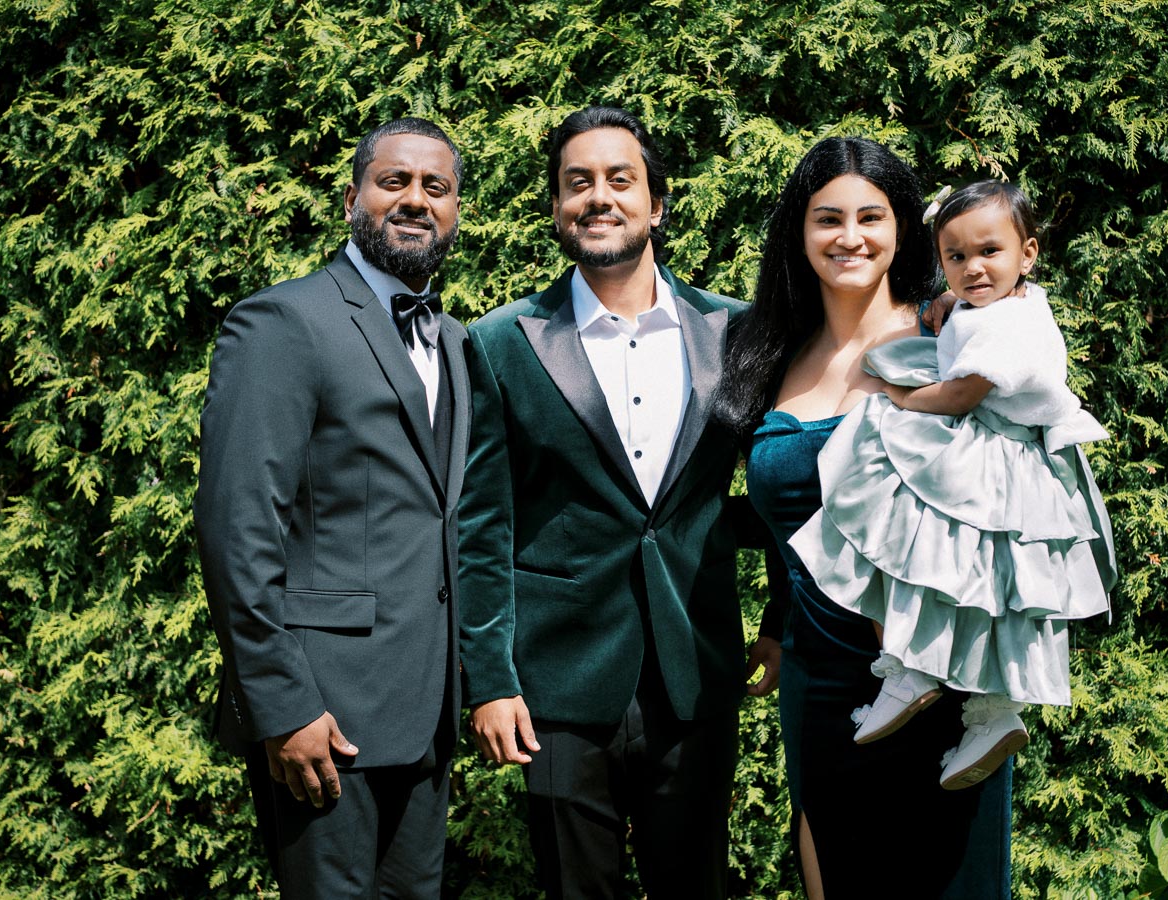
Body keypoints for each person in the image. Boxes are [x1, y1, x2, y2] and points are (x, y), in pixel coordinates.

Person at [458, 105, 782, 900]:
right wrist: (489, 679)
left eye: (619, 179)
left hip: (695, 669)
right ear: (556, 208)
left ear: (656, 203)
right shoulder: (500, 341)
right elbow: (483, 524)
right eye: (578, 183)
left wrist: (779, 620)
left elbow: (782, 483)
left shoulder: (737, 333)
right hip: (559, 684)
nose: (598, 196)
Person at [716, 137, 1013, 898]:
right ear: (799, 231)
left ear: (903, 228)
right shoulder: (765, 353)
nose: (850, 237)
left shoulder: (952, 336)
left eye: (870, 217)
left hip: (939, 681)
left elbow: (1014, 492)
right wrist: (776, 623)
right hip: (817, 684)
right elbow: (791, 521)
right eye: (828, 218)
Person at [195, 117, 469, 899]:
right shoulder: (284, 322)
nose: (415, 200)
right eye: (394, 181)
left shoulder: (454, 342)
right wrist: (282, 705)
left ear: (455, 211)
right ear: (352, 199)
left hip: (426, 715)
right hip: (324, 718)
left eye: (436, 187)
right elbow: (237, 527)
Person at [789, 179, 1117, 790]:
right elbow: (972, 311)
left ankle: (913, 667)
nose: (972, 269)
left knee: (914, 526)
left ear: (1029, 253)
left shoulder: (1011, 326)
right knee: (990, 589)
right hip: (1012, 458)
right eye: (956, 257)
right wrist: (951, 299)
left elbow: (962, 394)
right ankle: (991, 712)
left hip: (999, 454)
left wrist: (902, 397)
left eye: (989, 252)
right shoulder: (1003, 302)